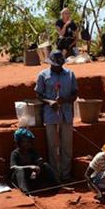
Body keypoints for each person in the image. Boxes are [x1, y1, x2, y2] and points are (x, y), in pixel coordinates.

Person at [35, 50, 78, 183]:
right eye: (55, 65)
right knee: (53, 147)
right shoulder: (43, 75)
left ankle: (65, 175)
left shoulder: (70, 75)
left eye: (59, 65)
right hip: (50, 115)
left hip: (66, 115)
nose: (57, 67)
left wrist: (65, 100)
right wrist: (50, 102)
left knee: (67, 146)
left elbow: (75, 94)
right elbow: (39, 95)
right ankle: (55, 176)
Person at [10, 128, 58, 193]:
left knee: (45, 165)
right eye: (24, 141)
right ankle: (25, 192)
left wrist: (38, 164)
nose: (27, 143)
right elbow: (13, 167)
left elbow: (38, 162)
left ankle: (57, 186)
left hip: (32, 177)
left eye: (28, 141)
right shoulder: (15, 153)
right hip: (19, 179)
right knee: (20, 171)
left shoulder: (32, 151)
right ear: (19, 142)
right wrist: (29, 167)